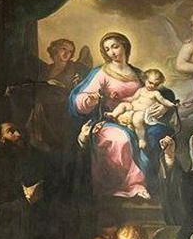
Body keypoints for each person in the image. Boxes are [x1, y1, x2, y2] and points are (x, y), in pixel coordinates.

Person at [71, 33, 171, 199]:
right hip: (111, 119)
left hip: (138, 117)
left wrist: (162, 107)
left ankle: (144, 186)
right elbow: (81, 97)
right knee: (119, 139)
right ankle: (125, 187)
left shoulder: (138, 74)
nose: (112, 52)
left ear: (125, 46)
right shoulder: (102, 72)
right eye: (107, 49)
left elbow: (160, 93)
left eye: (115, 46)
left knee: (157, 134)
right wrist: (89, 99)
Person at [109, 69, 180, 152]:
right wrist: (121, 98)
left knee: (137, 119)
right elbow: (132, 98)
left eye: (155, 84)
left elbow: (164, 101)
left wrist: (172, 104)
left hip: (143, 112)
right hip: (132, 108)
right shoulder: (141, 90)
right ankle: (113, 115)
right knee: (123, 105)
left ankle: (141, 139)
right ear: (145, 80)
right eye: (150, 82)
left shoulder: (156, 93)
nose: (152, 86)